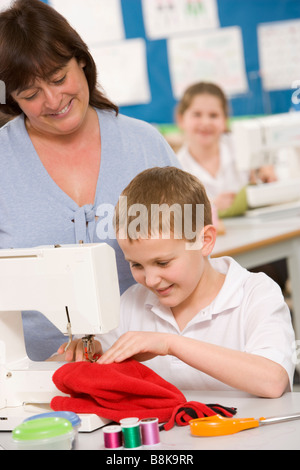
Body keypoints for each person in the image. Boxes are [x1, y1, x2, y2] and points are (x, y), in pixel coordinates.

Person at [0, 0, 179, 361]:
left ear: (81, 59)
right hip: (34, 383)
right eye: (31, 95)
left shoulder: (146, 145)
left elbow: (195, 255)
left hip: (158, 368)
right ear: (11, 99)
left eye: (58, 78)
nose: (53, 100)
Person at [59, 167, 295, 397]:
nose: (150, 280)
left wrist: (171, 344)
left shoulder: (255, 294)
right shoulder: (131, 304)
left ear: (204, 241)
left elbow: (273, 380)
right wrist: (88, 355)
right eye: (136, 265)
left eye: (163, 263)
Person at [175, 82, 277, 212]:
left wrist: (266, 169)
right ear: (181, 119)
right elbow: (180, 216)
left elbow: (269, 158)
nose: (205, 122)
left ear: (224, 120)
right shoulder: (178, 167)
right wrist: (212, 207)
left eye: (214, 115)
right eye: (197, 114)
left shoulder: (240, 145)